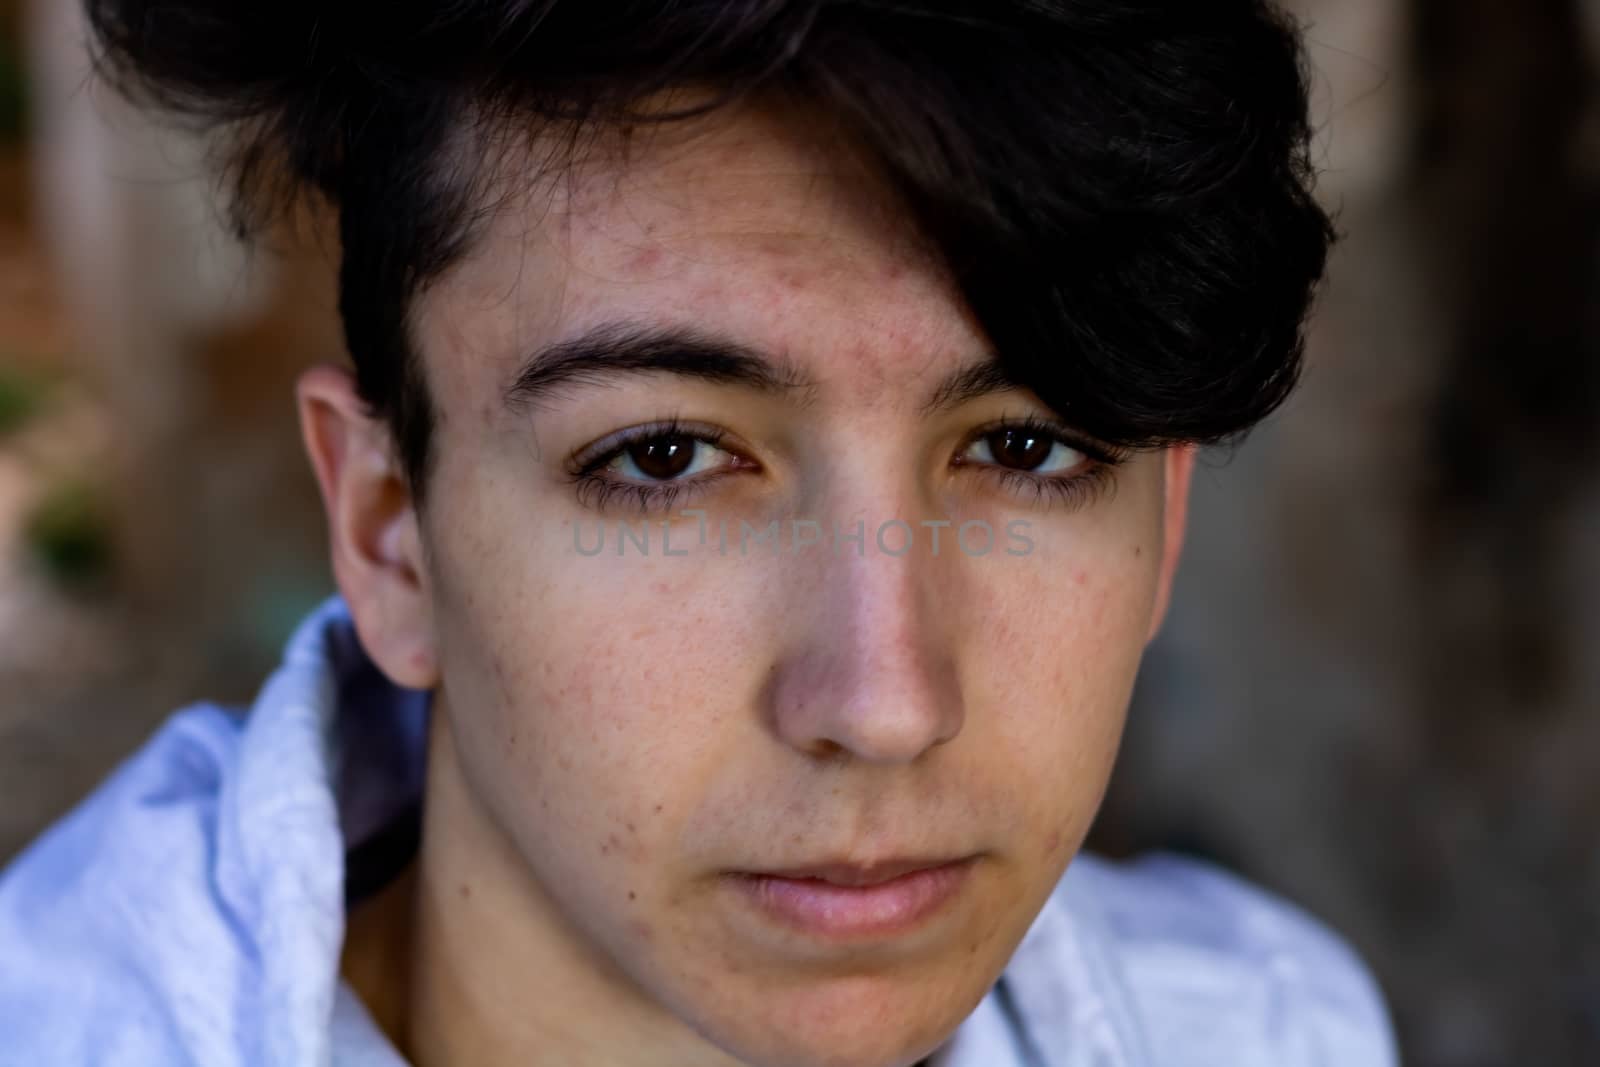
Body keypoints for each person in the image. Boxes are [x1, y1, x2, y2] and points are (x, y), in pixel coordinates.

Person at [0, 2, 1400, 1065]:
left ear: (1163, 521)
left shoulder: (1268, 1029)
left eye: (1025, 449)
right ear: (387, 532)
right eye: (662, 458)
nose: (885, 704)